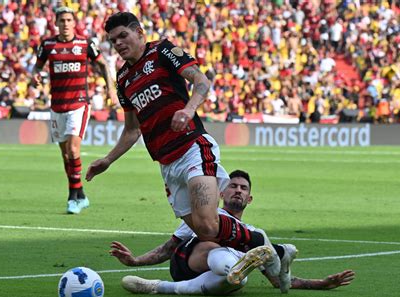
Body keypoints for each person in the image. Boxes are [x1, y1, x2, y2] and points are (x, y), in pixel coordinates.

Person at [86, 12, 277, 267]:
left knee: (208, 223)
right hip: (167, 163)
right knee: (205, 231)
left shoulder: (162, 50)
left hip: (192, 147)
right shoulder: (122, 80)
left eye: (123, 35)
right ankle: (258, 245)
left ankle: (262, 242)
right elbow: (132, 130)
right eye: (113, 40)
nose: (119, 43)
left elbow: (202, 81)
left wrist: (188, 110)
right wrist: (108, 160)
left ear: (140, 33)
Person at [111, 170, 355, 295]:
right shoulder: (208, 217)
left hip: (216, 278)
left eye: (243, 188)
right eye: (232, 186)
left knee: (237, 282)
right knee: (213, 245)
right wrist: (135, 261)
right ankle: (236, 264)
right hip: (188, 263)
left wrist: (321, 283)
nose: (237, 191)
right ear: (221, 194)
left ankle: (159, 287)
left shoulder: (253, 233)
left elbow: (276, 279)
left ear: (250, 198)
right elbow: (168, 248)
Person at [32, 6, 117, 214]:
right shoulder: (48, 45)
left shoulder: (85, 43)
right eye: (62, 21)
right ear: (56, 23)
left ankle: (73, 196)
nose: (66, 24)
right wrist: (35, 75)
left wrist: (111, 90)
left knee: (73, 150)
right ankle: (80, 194)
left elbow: (103, 65)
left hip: (78, 104)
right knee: (65, 156)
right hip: (57, 105)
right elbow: (37, 66)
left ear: (74, 23)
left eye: (69, 20)